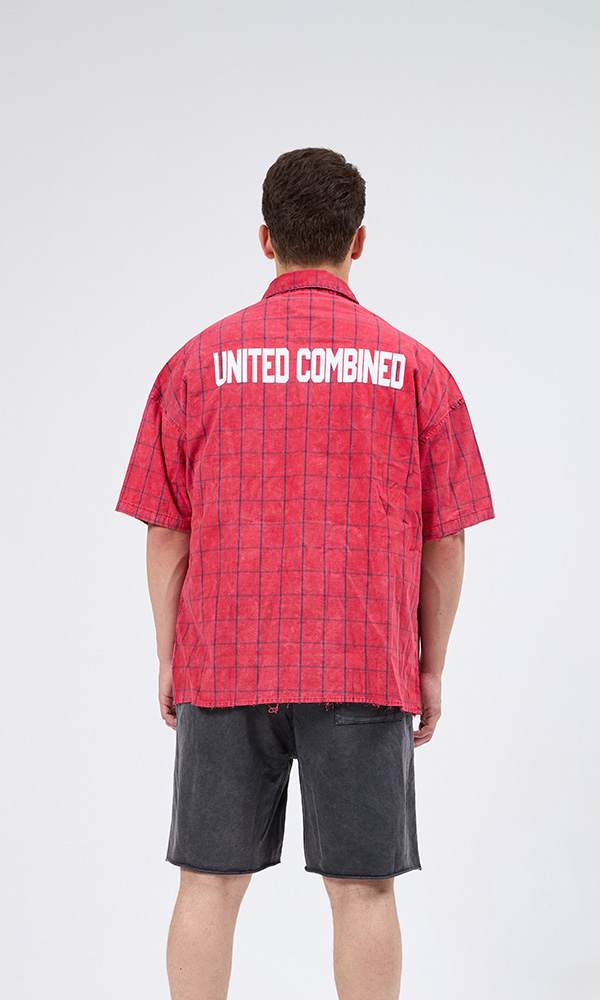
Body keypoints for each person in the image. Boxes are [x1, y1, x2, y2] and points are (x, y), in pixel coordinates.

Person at [115, 146, 495, 999]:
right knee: (365, 891)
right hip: (361, 662)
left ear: (265, 239)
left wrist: (170, 652)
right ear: (358, 241)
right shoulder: (416, 370)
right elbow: (446, 539)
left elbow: (166, 531)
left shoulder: (195, 364)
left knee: (208, 883)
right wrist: (429, 663)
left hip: (225, 662)